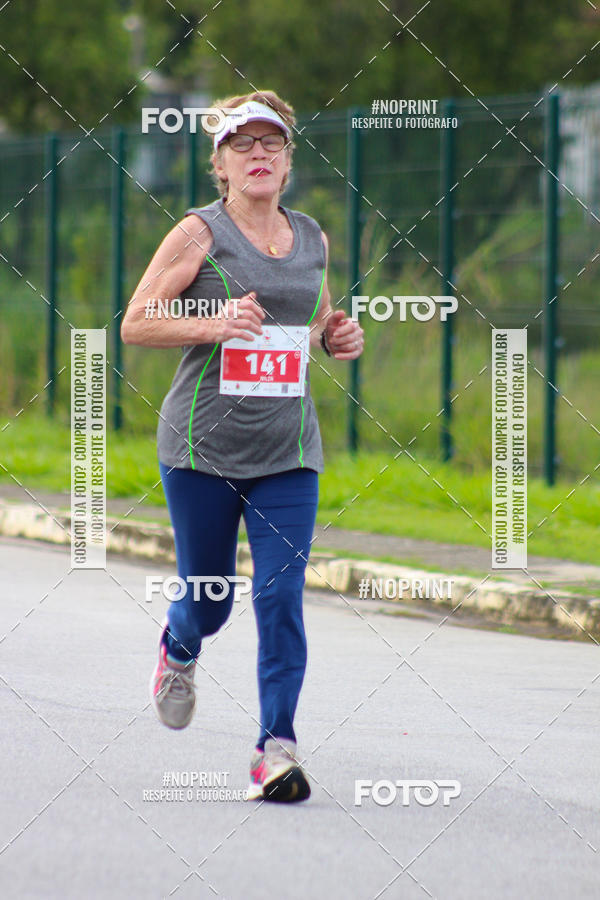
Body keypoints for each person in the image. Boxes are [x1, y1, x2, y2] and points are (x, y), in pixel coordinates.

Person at [121, 90, 364, 803]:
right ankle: (181, 643)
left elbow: (314, 318)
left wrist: (336, 336)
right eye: (242, 145)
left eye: (272, 143)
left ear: (288, 162)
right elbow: (137, 321)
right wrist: (212, 320)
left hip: (289, 450)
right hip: (201, 448)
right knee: (213, 599)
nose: (259, 154)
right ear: (220, 165)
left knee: (281, 593)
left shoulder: (313, 237)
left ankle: (275, 749)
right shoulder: (199, 233)